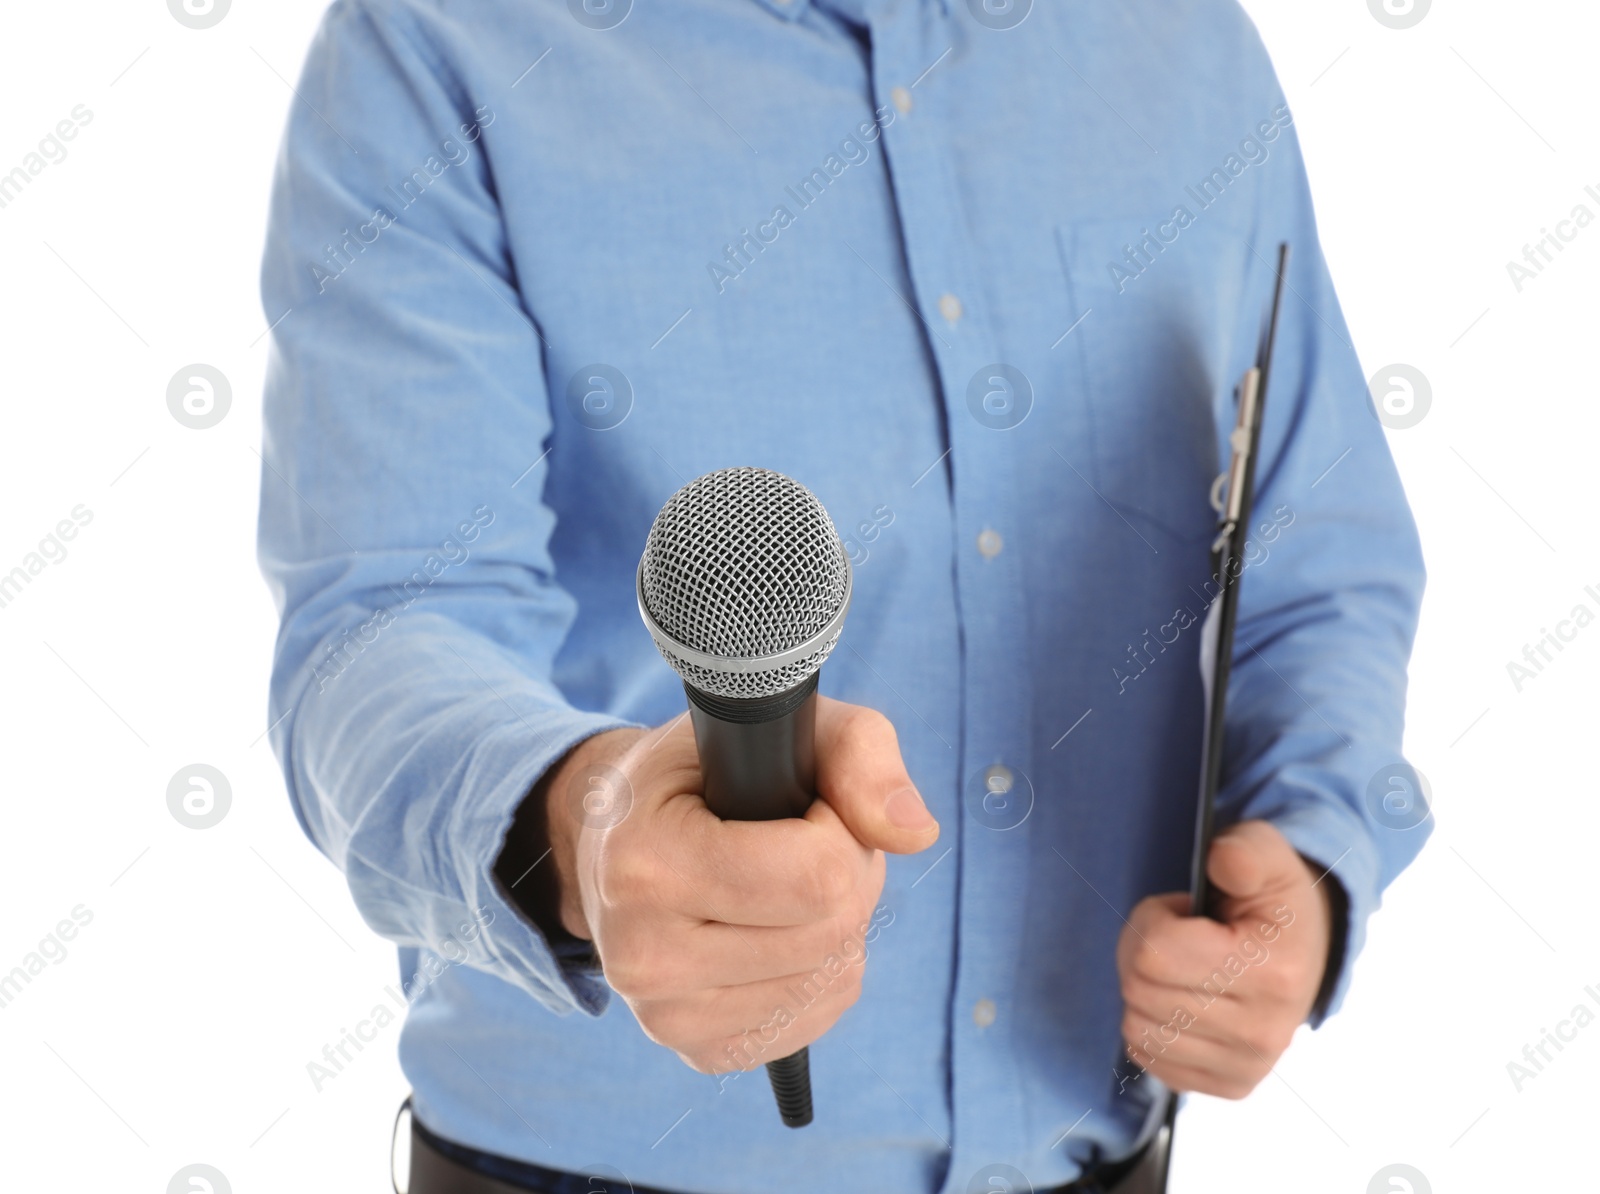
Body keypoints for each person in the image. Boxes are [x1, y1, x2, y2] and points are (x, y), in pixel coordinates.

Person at [256, 0, 1427, 1190]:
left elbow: (1319, 554)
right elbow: (384, 625)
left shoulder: (1184, 43)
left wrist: (1312, 862)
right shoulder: (435, 43)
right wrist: (583, 826)